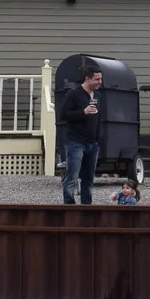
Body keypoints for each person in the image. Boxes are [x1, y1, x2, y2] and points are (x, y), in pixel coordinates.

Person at [57, 65, 105, 205]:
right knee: (72, 177)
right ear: (87, 78)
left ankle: (86, 207)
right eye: (97, 79)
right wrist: (83, 112)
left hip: (93, 143)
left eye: (101, 79)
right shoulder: (74, 94)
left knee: (88, 179)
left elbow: (98, 118)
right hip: (76, 142)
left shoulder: (98, 95)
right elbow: (63, 115)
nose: (100, 82)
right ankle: (69, 206)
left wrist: (98, 138)